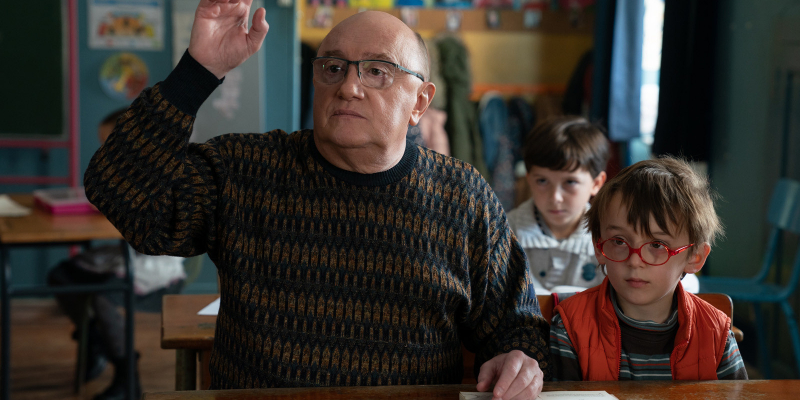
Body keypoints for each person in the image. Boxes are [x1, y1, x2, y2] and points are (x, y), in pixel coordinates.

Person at [83, 0, 549, 398]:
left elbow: (515, 326)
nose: (348, 86)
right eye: (333, 68)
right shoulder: (245, 169)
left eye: (378, 72)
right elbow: (120, 192)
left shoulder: (463, 197)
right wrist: (197, 72)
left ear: (420, 103)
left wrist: (520, 359)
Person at [549, 156, 748, 381]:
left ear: (695, 256)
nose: (635, 261)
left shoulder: (716, 332)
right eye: (619, 241)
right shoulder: (570, 325)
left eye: (656, 245)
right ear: (598, 245)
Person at [48, 109, 186, 400]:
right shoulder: (123, 170)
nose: (104, 150)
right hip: (126, 253)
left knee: (103, 294)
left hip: (156, 265)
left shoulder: (160, 170)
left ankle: (128, 378)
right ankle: (96, 340)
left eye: (109, 142)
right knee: (61, 275)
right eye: (102, 143)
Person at [506, 116, 608, 295]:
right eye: (542, 181)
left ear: (596, 183)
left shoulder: (608, 237)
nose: (555, 197)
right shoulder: (506, 231)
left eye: (570, 182)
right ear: (529, 179)